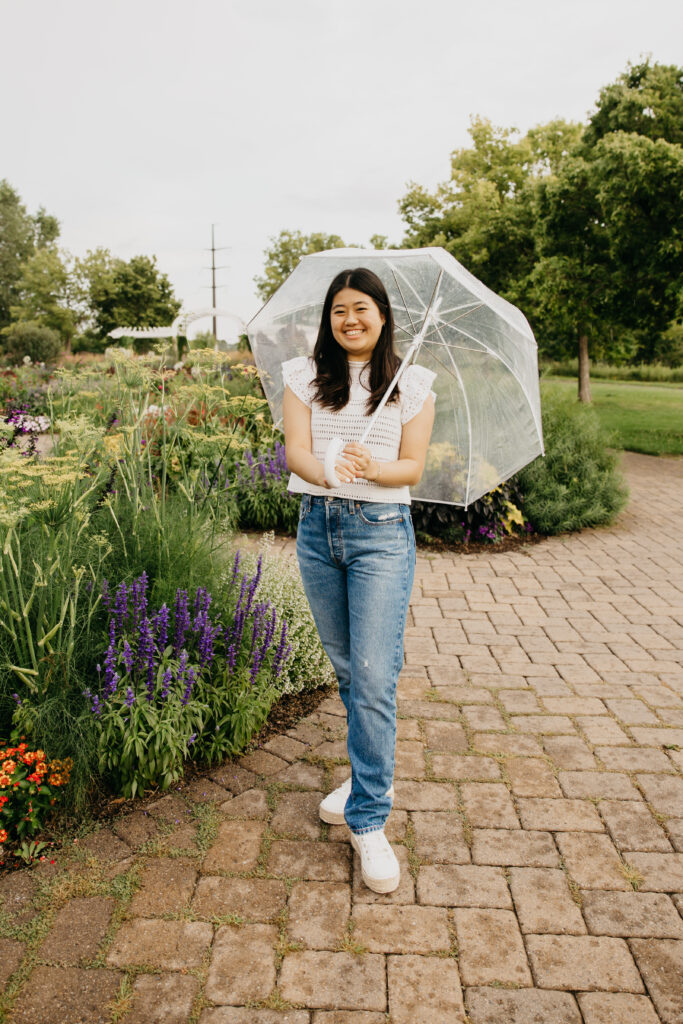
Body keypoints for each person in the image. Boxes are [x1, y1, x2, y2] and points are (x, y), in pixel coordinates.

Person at [282, 267, 435, 893]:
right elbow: (294, 452)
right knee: (349, 670)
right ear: (329, 317)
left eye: (362, 308)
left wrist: (373, 466)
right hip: (318, 529)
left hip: (380, 533)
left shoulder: (413, 383)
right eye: (339, 310)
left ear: (382, 315)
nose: (350, 319)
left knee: (374, 675)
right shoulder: (302, 377)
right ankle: (371, 771)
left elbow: (414, 469)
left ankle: (368, 817)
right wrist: (327, 471)